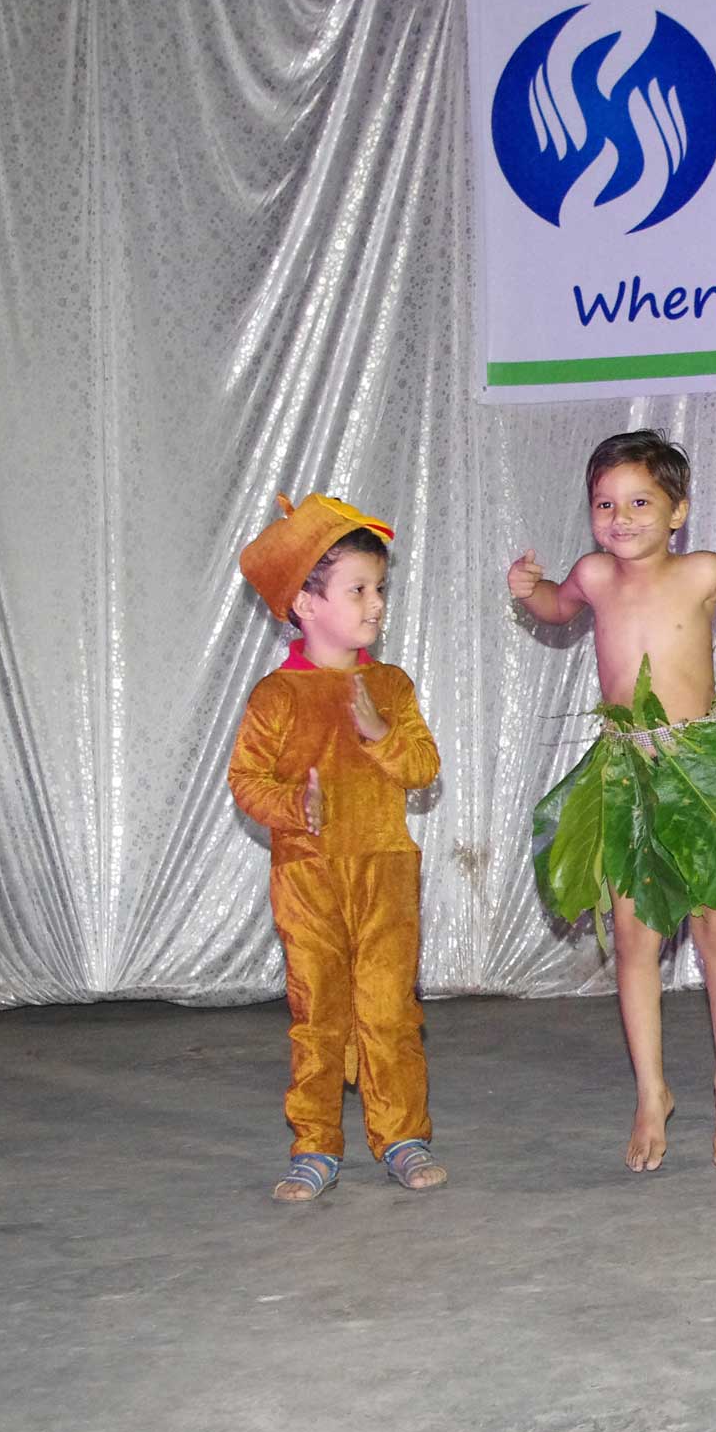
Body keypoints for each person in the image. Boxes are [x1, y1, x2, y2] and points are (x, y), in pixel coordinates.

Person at [508, 430, 716, 1172]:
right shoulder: (593, 575)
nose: (621, 518)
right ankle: (651, 1093)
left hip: (703, 777)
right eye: (605, 505)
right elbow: (557, 608)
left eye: (640, 503)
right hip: (627, 778)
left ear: (677, 512)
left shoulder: (702, 572)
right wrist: (530, 590)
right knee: (633, 940)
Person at [229, 493, 444, 1199]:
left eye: (379, 588)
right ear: (305, 603)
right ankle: (315, 1143)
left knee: (389, 1009)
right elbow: (246, 781)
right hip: (309, 877)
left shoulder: (390, 686)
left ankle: (402, 1135)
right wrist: (295, 807)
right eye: (358, 590)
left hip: (386, 872)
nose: (376, 604)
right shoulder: (276, 697)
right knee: (318, 1014)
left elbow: (423, 767)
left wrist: (382, 736)